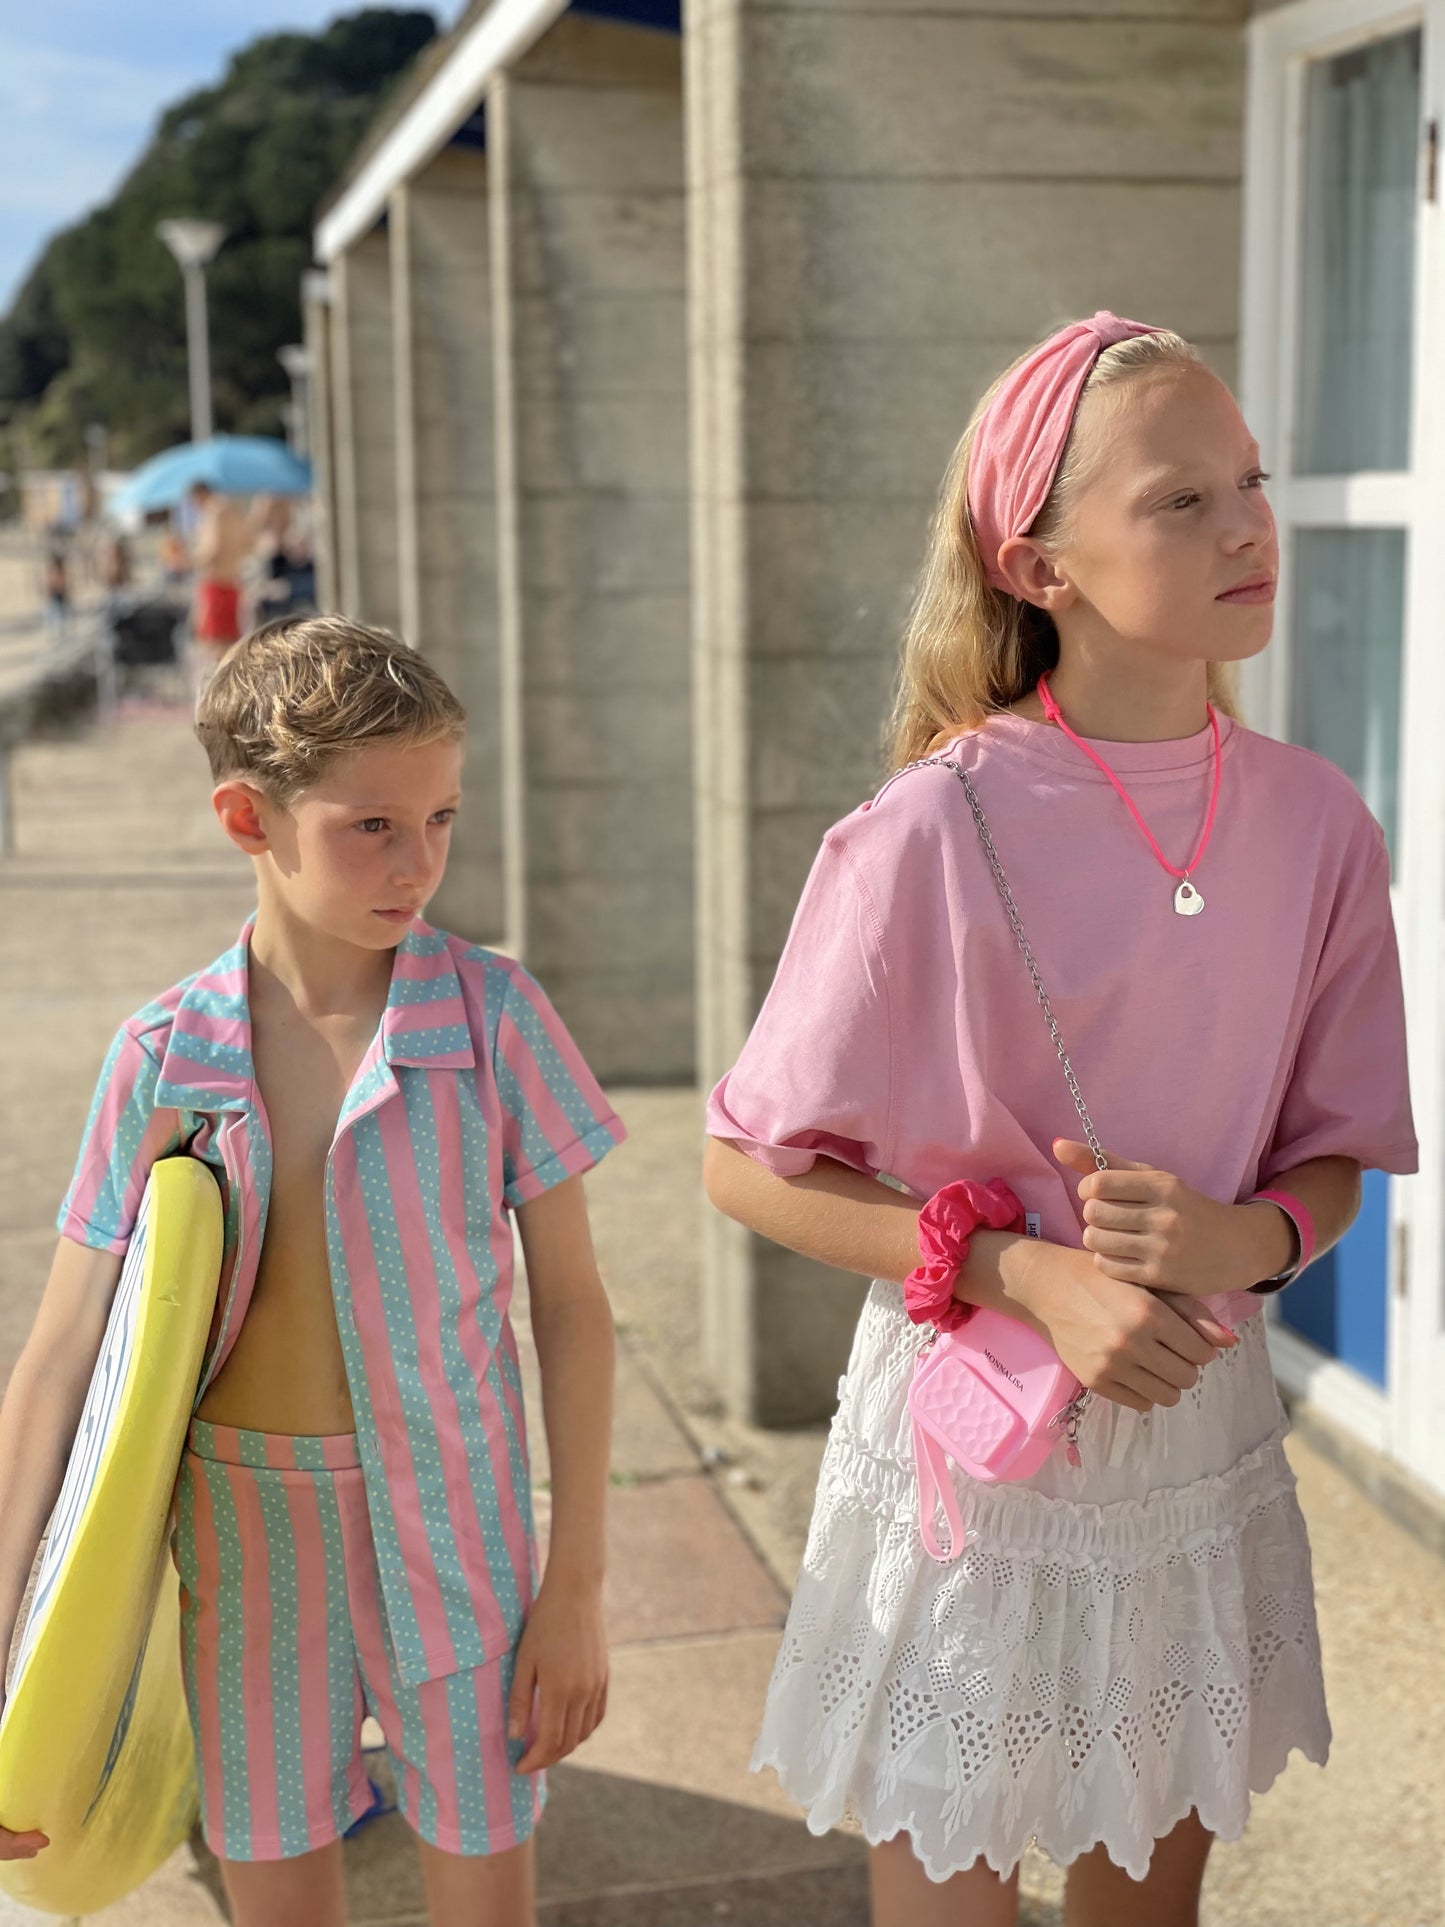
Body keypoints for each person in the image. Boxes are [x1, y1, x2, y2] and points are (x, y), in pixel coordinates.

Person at [703, 314, 1417, 1927]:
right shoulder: (923, 830)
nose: (1250, 525)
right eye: (1181, 500)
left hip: (1190, 1435)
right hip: (970, 1440)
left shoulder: (1318, 824)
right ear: (1042, 564)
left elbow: (1334, 1164)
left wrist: (1244, 1235)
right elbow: (745, 1160)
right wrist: (1025, 1270)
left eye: (1251, 481)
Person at [0, 616, 624, 1927]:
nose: (421, 861)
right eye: (372, 825)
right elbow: (62, 1349)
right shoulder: (165, 1054)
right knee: (275, 1884)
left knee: (483, 1874)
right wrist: (11, 1630)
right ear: (248, 816)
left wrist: (573, 1585)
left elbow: (570, 1309)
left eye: (441, 816)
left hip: (462, 1526)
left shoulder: (494, 1018)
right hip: (243, 1529)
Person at [188, 481, 264, 679]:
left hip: (216, 581)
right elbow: (250, 541)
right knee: (231, 641)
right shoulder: (232, 509)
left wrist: (189, 559)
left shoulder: (214, 511)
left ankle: (220, 689)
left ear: (199, 494)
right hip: (233, 579)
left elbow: (212, 549)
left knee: (215, 643)